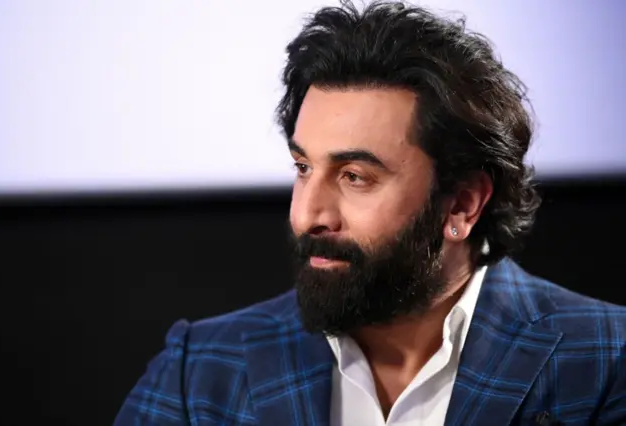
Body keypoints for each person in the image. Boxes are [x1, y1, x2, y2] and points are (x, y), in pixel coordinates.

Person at [114, 2, 626, 425]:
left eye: (355, 176)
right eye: (303, 168)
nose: (308, 214)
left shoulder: (608, 360)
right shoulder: (199, 373)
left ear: (463, 203)